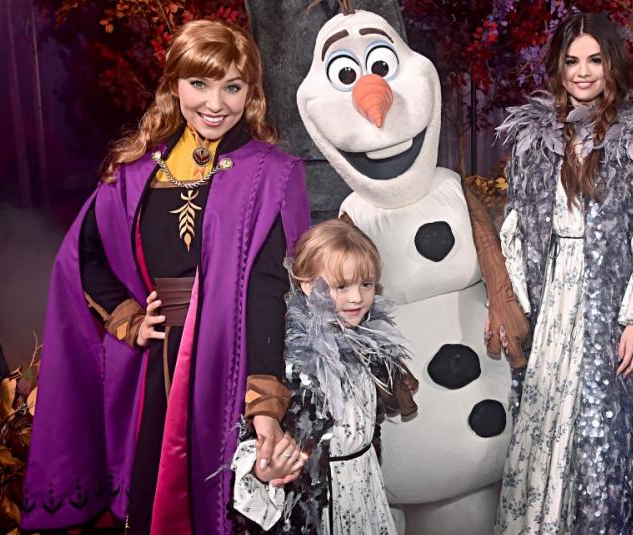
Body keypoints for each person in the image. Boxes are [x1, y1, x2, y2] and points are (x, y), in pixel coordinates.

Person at [22, 20, 310, 534]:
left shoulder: (273, 173)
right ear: (174, 85)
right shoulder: (135, 173)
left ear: (252, 92)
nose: (215, 104)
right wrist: (128, 317)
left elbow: (270, 290)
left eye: (232, 87)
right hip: (153, 372)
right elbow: (83, 255)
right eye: (199, 83)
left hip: (231, 363)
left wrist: (265, 405)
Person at [495, 11, 633, 534]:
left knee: (597, 429)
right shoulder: (532, 137)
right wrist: (508, 303)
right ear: (558, 66)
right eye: (572, 61)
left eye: (594, 60)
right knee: (545, 415)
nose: (583, 72)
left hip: (607, 299)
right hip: (552, 299)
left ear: (611, 64)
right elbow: (516, 224)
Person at [231, 220, 414, 534]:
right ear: (306, 285)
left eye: (366, 284)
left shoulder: (366, 344)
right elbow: (256, 440)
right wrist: (265, 470)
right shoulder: (290, 360)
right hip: (316, 506)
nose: (356, 298)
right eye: (341, 287)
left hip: (364, 491)